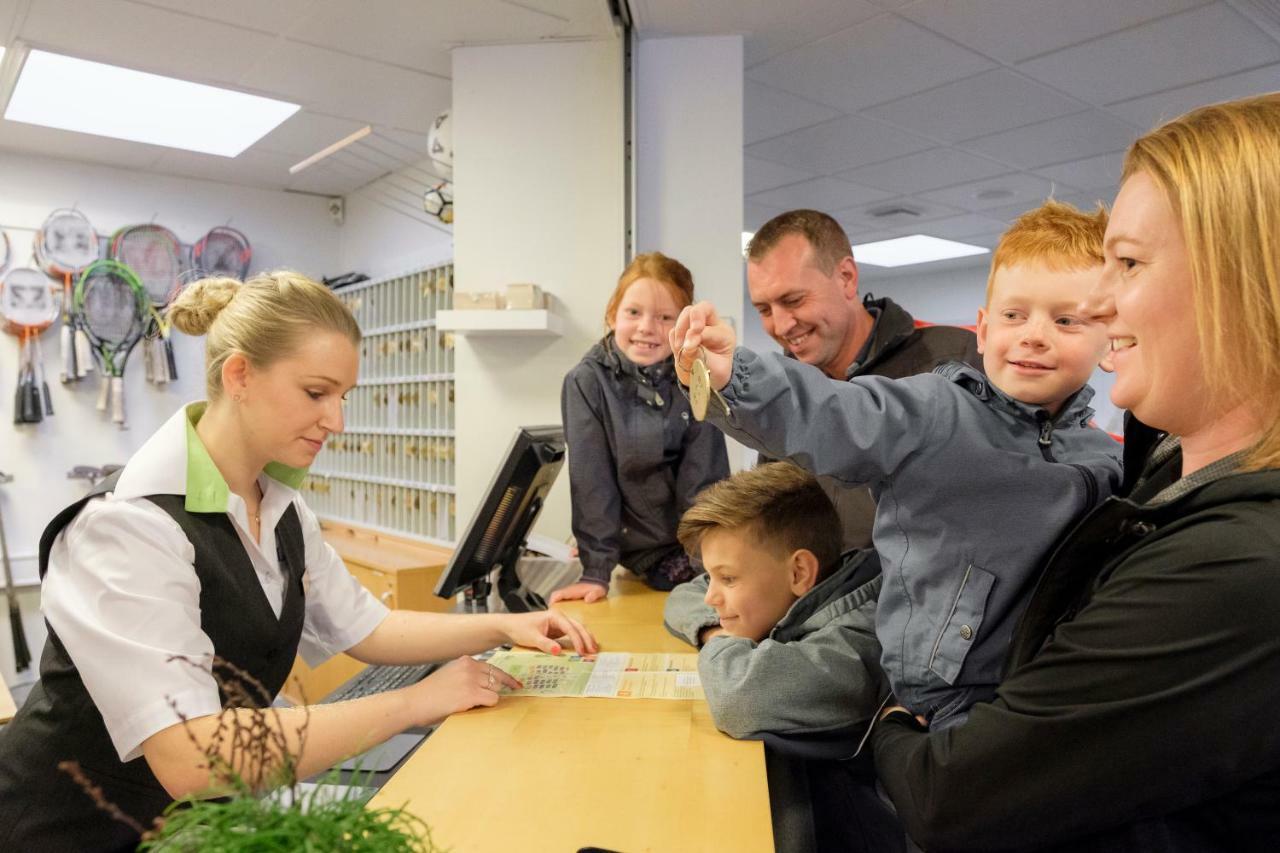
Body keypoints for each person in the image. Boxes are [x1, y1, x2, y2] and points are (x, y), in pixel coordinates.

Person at [0, 272, 596, 851]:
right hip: (67, 831)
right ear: (239, 375)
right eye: (316, 393)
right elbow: (191, 753)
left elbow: (369, 626)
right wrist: (415, 702)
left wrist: (503, 626)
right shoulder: (127, 529)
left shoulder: (280, 507)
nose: (336, 421)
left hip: (192, 829)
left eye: (342, 397)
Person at [869, 93, 1280, 851]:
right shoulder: (1165, 476)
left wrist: (891, 717)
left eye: (1126, 263)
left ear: (1243, 280)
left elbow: (954, 794)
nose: (1101, 299)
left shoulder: (1240, 562)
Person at [670, 200, 1123, 727]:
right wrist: (734, 377)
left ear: (1111, 339)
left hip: (1040, 693)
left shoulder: (1107, 460)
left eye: (1065, 319)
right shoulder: (938, 407)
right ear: (983, 330)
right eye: (1013, 315)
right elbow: (835, 413)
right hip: (941, 697)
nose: (1033, 334)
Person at [746, 210, 981, 550]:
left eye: (793, 300)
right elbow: (773, 515)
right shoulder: (781, 390)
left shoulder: (957, 357)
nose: (781, 327)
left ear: (846, 277)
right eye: (764, 310)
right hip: (817, 594)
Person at [551, 252, 729, 603]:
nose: (647, 327)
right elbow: (592, 482)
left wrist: (708, 562)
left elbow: (705, 480)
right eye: (633, 312)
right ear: (612, 314)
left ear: (681, 327)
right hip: (645, 552)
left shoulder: (696, 377)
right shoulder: (586, 382)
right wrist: (596, 571)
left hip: (697, 544)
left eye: (665, 317)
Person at [663, 461, 883, 741]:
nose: (710, 597)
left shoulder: (852, 646)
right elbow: (682, 597)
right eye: (711, 576)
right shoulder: (787, 591)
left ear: (799, 572)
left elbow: (737, 695)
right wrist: (718, 631)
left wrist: (726, 644)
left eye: (728, 579)